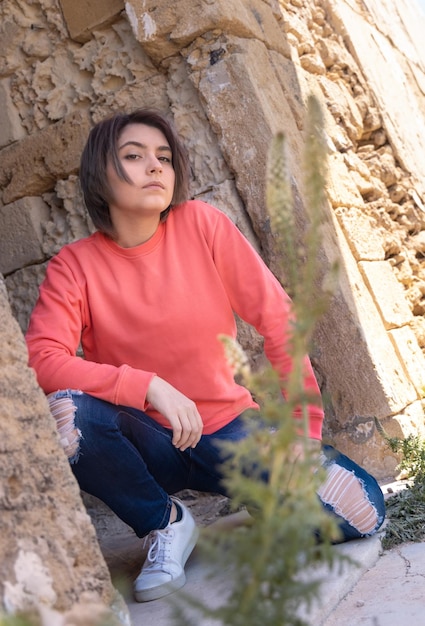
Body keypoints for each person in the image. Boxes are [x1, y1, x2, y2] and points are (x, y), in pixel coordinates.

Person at [25, 108, 385, 603]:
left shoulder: (202, 225)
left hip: (233, 431)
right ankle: (164, 522)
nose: (155, 167)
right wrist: (146, 385)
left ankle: (270, 498)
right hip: (147, 440)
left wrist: (303, 430)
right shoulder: (75, 265)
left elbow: (278, 321)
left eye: (164, 157)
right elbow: (42, 360)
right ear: (99, 175)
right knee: (65, 412)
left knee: (361, 513)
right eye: (133, 156)